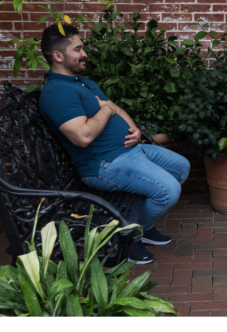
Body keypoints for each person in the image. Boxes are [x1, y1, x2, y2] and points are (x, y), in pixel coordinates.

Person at [38, 23, 190, 265]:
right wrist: (106, 111)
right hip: (104, 164)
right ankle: (127, 237)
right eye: (77, 49)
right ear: (58, 56)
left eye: (82, 48)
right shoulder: (58, 93)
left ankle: (144, 226)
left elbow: (114, 107)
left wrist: (135, 130)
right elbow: (82, 136)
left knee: (180, 166)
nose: (84, 53)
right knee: (168, 190)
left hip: (129, 149)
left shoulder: (81, 82)